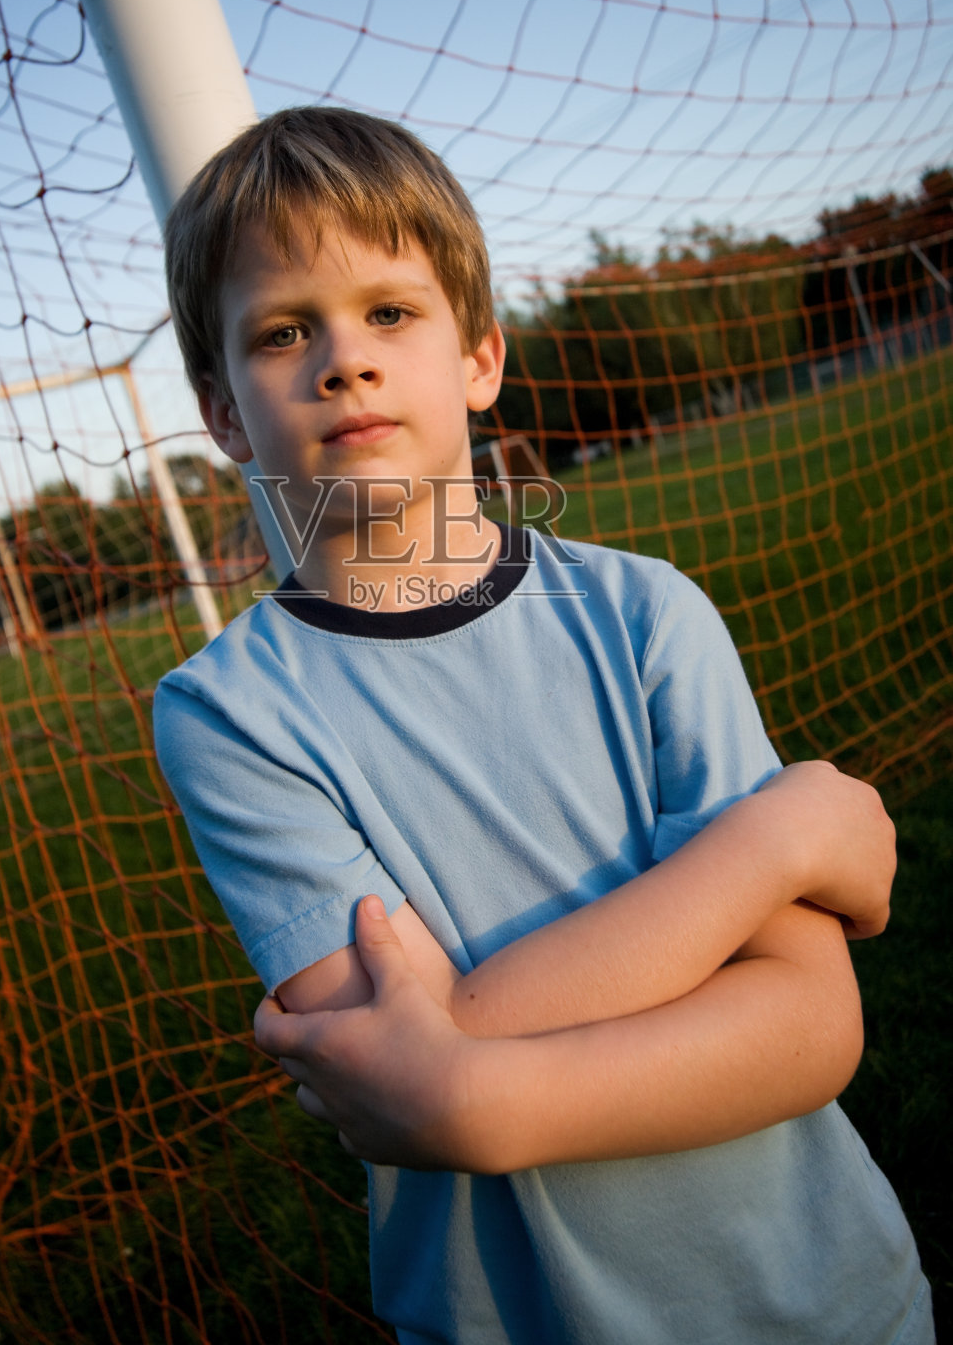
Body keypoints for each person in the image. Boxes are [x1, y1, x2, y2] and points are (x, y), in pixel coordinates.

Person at [153, 107, 932, 1344]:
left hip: (824, 1296)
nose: (342, 359)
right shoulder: (227, 714)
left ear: (478, 358)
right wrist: (767, 850)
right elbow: (403, 1069)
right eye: (284, 329)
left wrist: (466, 1080)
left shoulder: (642, 615)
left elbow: (810, 1026)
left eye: (389, 312)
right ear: (223, 412)